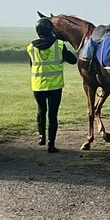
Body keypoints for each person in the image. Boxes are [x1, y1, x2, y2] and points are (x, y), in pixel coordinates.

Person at [27, 17, 76, 153]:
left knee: (41, 111)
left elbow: (32, 65)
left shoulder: (31, 47)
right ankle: (51, 144)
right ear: (51, 30)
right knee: (53, 115)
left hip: (38, 85)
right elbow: (73, 60)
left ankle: (41, 136)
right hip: (55, 86)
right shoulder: (59, 45)